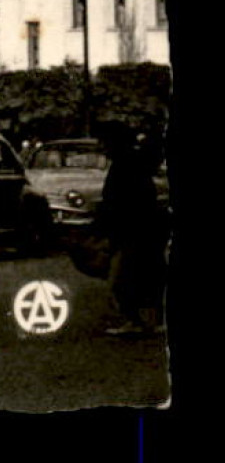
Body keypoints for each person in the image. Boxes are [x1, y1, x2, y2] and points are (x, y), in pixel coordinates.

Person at [94, 127, 167, 336]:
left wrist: (104, 227)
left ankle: (134, 319)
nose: (102, 149)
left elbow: (115, 201)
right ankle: (152, 319)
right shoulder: (136, 162)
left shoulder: (123, 166)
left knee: (127, 276)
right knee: (149, 274)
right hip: (145, 227)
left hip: (130, 229)